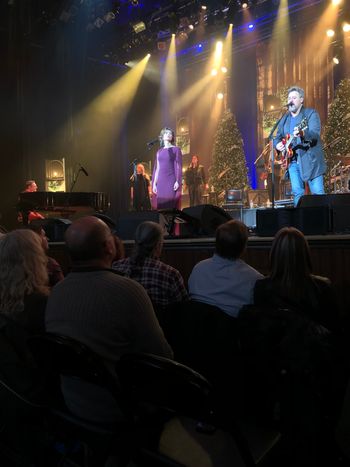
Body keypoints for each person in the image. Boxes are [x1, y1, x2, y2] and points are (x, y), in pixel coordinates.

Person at [45, 216, 173, 422]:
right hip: (119, 408)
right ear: (108, 247)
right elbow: (162, 355)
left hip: (73, 403)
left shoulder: (57, 291)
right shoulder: (128, 290)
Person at [254, 226, 338, 331]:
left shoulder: (261, 287)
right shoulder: (322, 287)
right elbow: (333, 328)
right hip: (312, 346)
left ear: (275, 253)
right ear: (304, 253)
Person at [188, 220, 263, 318]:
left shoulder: (198, 269)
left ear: (216, 244)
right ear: (243, 247)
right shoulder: (254, 279)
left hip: (194, 329)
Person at [112, 221, 188, 313]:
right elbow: (184, 309)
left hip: (120, 325)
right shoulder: (170, 274)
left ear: (136, 242)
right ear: (158, 245)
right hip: (159, 326)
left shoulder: (115, 268)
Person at [274, 86, 326, 207]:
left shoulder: (310, 114)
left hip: (311, 161)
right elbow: (277, 137)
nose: (290, 100)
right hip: (292, 162)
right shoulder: (285, 119)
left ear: (301, 100)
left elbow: (315, 135)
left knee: (318, 193)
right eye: (289, 98)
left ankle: (323, 222)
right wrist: (278, 144)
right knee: (298, 194)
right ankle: (301, 221)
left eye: (294, 97)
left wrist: (303, 133)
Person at [152, 127, 182, 209]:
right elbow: (157, 169)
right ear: (162, 136)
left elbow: (179, 166)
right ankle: (162, 222)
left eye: (170, 133)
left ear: (172, 137)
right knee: (161, 208)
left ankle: (171, 222)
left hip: (170, 180)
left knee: (170, 206)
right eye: (166, 133)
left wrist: (177, 181)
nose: (169, 135)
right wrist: (154, 183)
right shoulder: (159, 152)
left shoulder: (176, 149)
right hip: (161, 182)